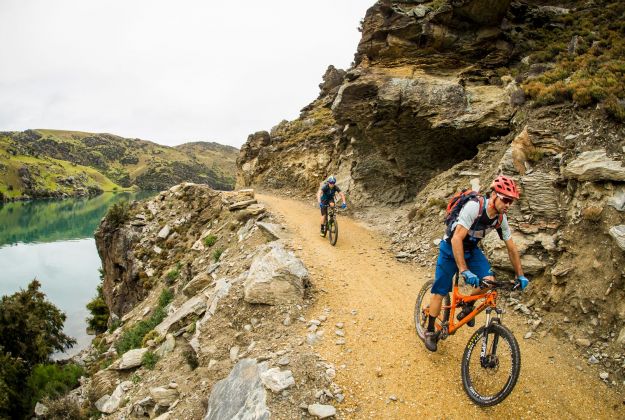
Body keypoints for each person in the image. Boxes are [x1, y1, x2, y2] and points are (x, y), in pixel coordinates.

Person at [424, 175, 530, 352]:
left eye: (511, 202)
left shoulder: (500, 219)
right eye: (505, 199)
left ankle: (467, 305)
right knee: (440, 291)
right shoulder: (475, 207)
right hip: (451, 247)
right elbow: (457, 238)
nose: (508, 205)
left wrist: (520, 274)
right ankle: (429, 331)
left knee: (489, 280)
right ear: (495, 195)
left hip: (471, 249)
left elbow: (511, 248)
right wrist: (464, 270)